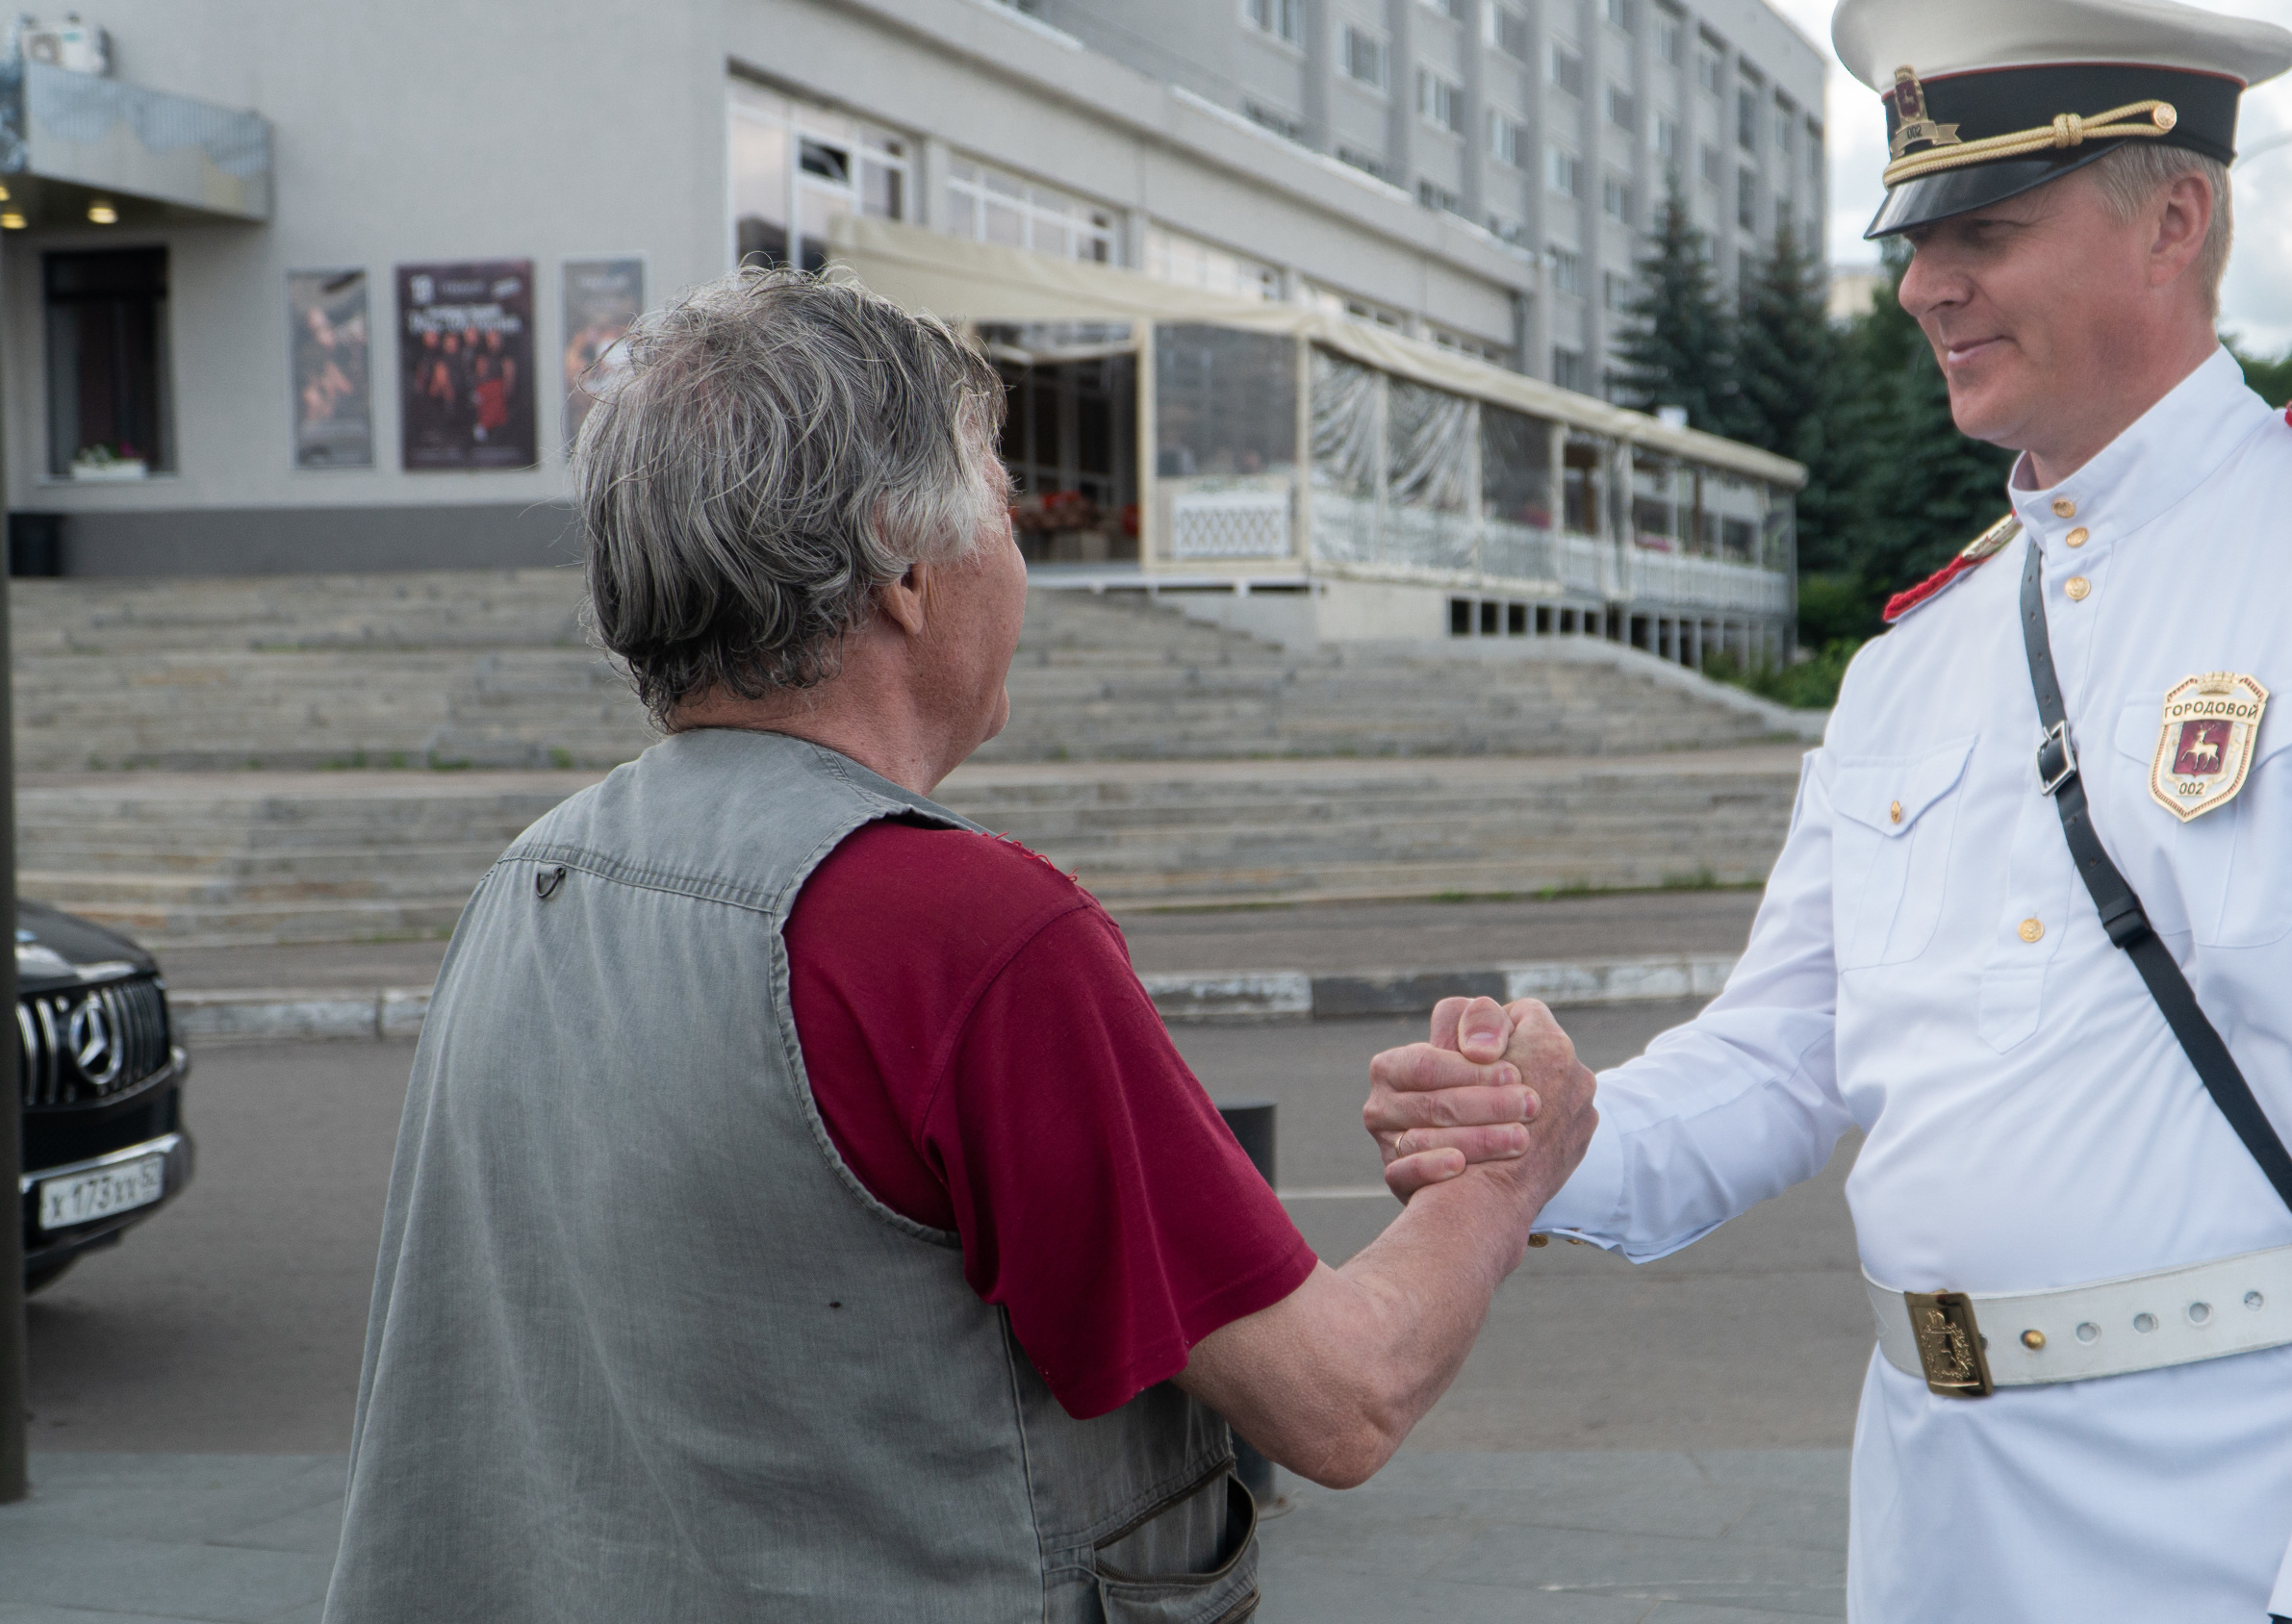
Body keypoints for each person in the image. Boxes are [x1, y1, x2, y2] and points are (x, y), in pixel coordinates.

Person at [1369, 0, 2292, 1618]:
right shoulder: (1921, 658)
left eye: (1985, 229)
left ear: (2178, 217)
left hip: (2252, 1508)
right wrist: (1562, 1132)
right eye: (1913, 233)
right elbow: (1786, 1051)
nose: (1923, 284)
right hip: (1936, 1511)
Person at [323, 269, 1597, 1622]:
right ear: (907, 569)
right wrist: (1512, 1165)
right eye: (1003, 504)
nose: (1021, 557)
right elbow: (1338, 1399)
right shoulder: (964, 939)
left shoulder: (526, 885)